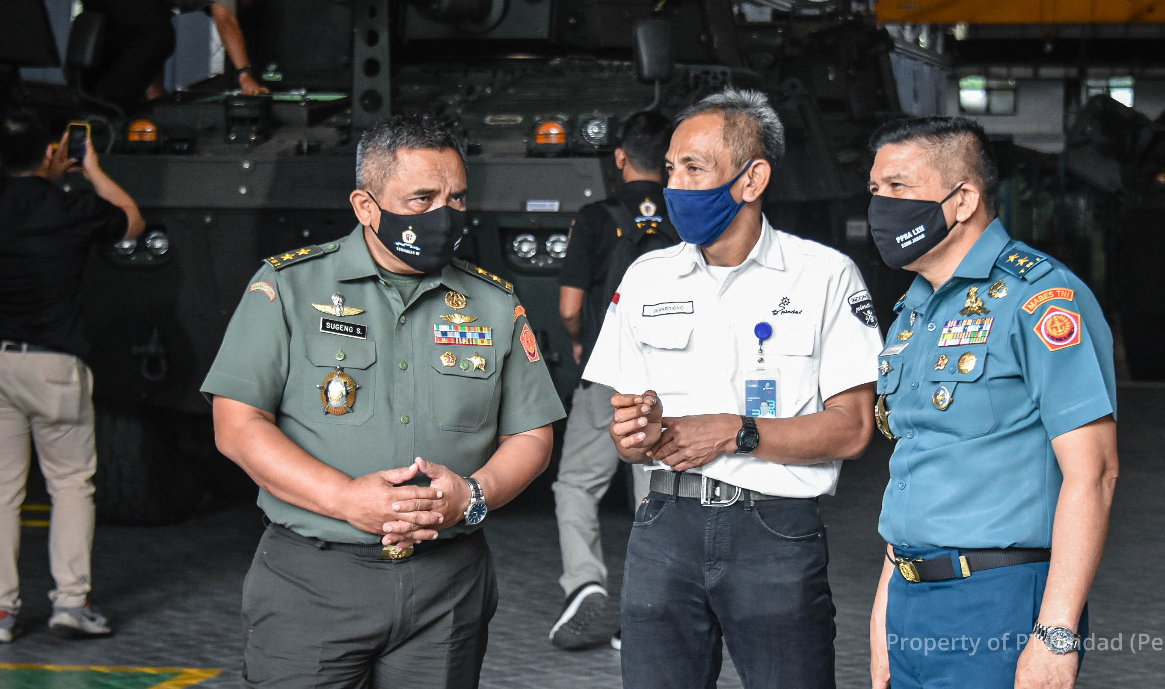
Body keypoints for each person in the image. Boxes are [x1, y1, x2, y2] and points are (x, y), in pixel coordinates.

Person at [203, 114, 564, 687]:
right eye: (422, 198)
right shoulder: (287, 287)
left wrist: (472, 496)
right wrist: (345, 499)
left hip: (447, 587)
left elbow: (531, 434)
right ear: (366, 206)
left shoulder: (493, 303)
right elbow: (237, 424)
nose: (444, 215)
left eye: (456, 197)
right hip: (313, 580)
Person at [588, 88, 882, 688]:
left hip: (774, 530)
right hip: (664, 525)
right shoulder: (646, 278)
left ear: (752, 180)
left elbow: (853, 430)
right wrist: (634, 434)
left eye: (694, 168)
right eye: (670, 168)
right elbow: (627, 440)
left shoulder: (825, 276)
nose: (674, 186)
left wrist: (735, 432)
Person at [864, 116, 1119, 689]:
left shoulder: (1042, 298)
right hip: (910, 595)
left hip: (998, 600)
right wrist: (885, 609)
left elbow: (1095, 472)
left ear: (964, 200)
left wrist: (1057, 633)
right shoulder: (915, 310)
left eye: (899, 187)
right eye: (876, 188)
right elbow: (917, 462)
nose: (881, 205)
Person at [0, 109, 145, 642]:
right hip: (55, 367)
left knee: (2, 491)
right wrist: (93, 171)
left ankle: (1, 612)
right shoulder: (69, 207)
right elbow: (131, 220)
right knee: (69, 485)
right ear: (50, 152)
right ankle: (70, 603)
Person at [549, 111, 675, 651]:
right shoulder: (687, 214)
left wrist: (582, 341)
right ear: (669, 161)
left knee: (577, 484)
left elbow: (569, 305)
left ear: (619, 157)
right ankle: (652, 606)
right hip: (672, 378)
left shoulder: (595, 218)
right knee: (657, 490)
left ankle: (585, 583)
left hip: (610, 370)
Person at [71, 0, 268, 114]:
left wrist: (156, 89)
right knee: (157, 37)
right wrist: (244, 75)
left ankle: (88, 108)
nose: (234, 8)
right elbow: (226, 20)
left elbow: (152, 26)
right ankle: (104, 109)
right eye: (238, 4)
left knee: (119, 44)